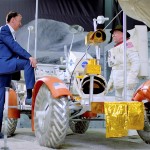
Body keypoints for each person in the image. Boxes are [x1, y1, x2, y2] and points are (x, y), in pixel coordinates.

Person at [0, 11, 37, 138]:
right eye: (19, 21)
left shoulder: (9, 32)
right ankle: (29, 95)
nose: (20, 24)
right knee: (28, 63)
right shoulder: (4, 30)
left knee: (1, 101)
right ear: (12, 20)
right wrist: (30, 56)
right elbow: (14, 46)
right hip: (4, 65)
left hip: (4, 69)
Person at [107, 25, 140, 101]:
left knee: (126, 103)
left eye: (115, 33)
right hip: (118, 81)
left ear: (123, 34)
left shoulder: (128, 45)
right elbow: (114, 67)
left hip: (127, 81)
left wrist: (131, 79)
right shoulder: (117, 47)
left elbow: (135, 63)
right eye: (113, 33)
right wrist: (110, 82)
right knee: (119, 104)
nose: (113, 35)